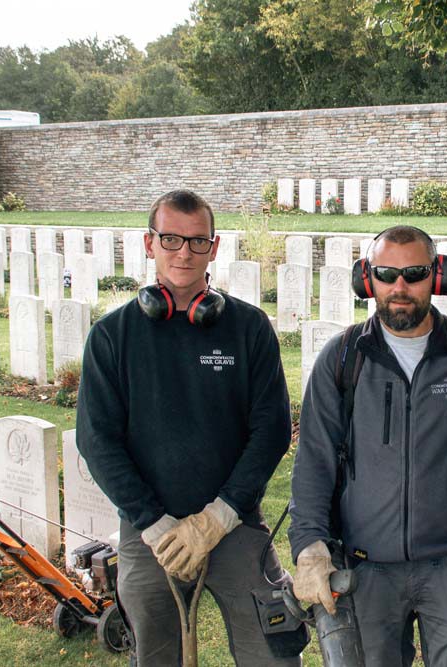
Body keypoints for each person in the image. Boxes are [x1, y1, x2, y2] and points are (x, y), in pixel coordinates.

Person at [76, 189, 305, 665]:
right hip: (148, 535)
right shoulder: (111, 337)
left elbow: (272, 430)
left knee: (274, 651)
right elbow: (97, 439)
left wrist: (218, 517)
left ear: (214, 248)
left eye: (198, 241)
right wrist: (155, 524)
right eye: (172, 239)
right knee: (155, 656)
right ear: (149, 243)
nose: (184, 252)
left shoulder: (249, 328)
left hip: (234, 525)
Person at [288, 225, 447, 666]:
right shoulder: (342, 358)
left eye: (414, 273)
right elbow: (314, 461)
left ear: (439, 276)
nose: (400, 287)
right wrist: (310, 546)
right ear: (366, 279)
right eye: (387, 273)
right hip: (364, 568)